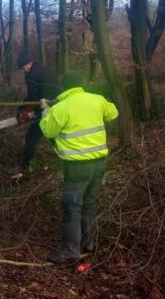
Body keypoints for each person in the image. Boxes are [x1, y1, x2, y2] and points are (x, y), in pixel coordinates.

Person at [38, 71, 119, 264]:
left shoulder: (61, 108)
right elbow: (113, 112)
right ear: (81, 85)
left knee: (72, 207)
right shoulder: (97, 100)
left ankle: (70, 252)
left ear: (64, 88)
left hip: (77, 169)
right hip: (99, 164)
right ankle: (88, 243)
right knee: (90, 203)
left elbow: (48, 130)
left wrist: (45, 110)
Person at [13, 51, 60, 177]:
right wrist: (24, 108)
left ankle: (23, 165)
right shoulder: (45, 69)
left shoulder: (31, 75)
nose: (23, 71)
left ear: (29, 63)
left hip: (46, 107)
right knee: (53, 134)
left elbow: (32, 97)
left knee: (31, 136)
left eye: (23, 68)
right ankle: (68, 154)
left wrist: (25, 110)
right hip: (58, 105)